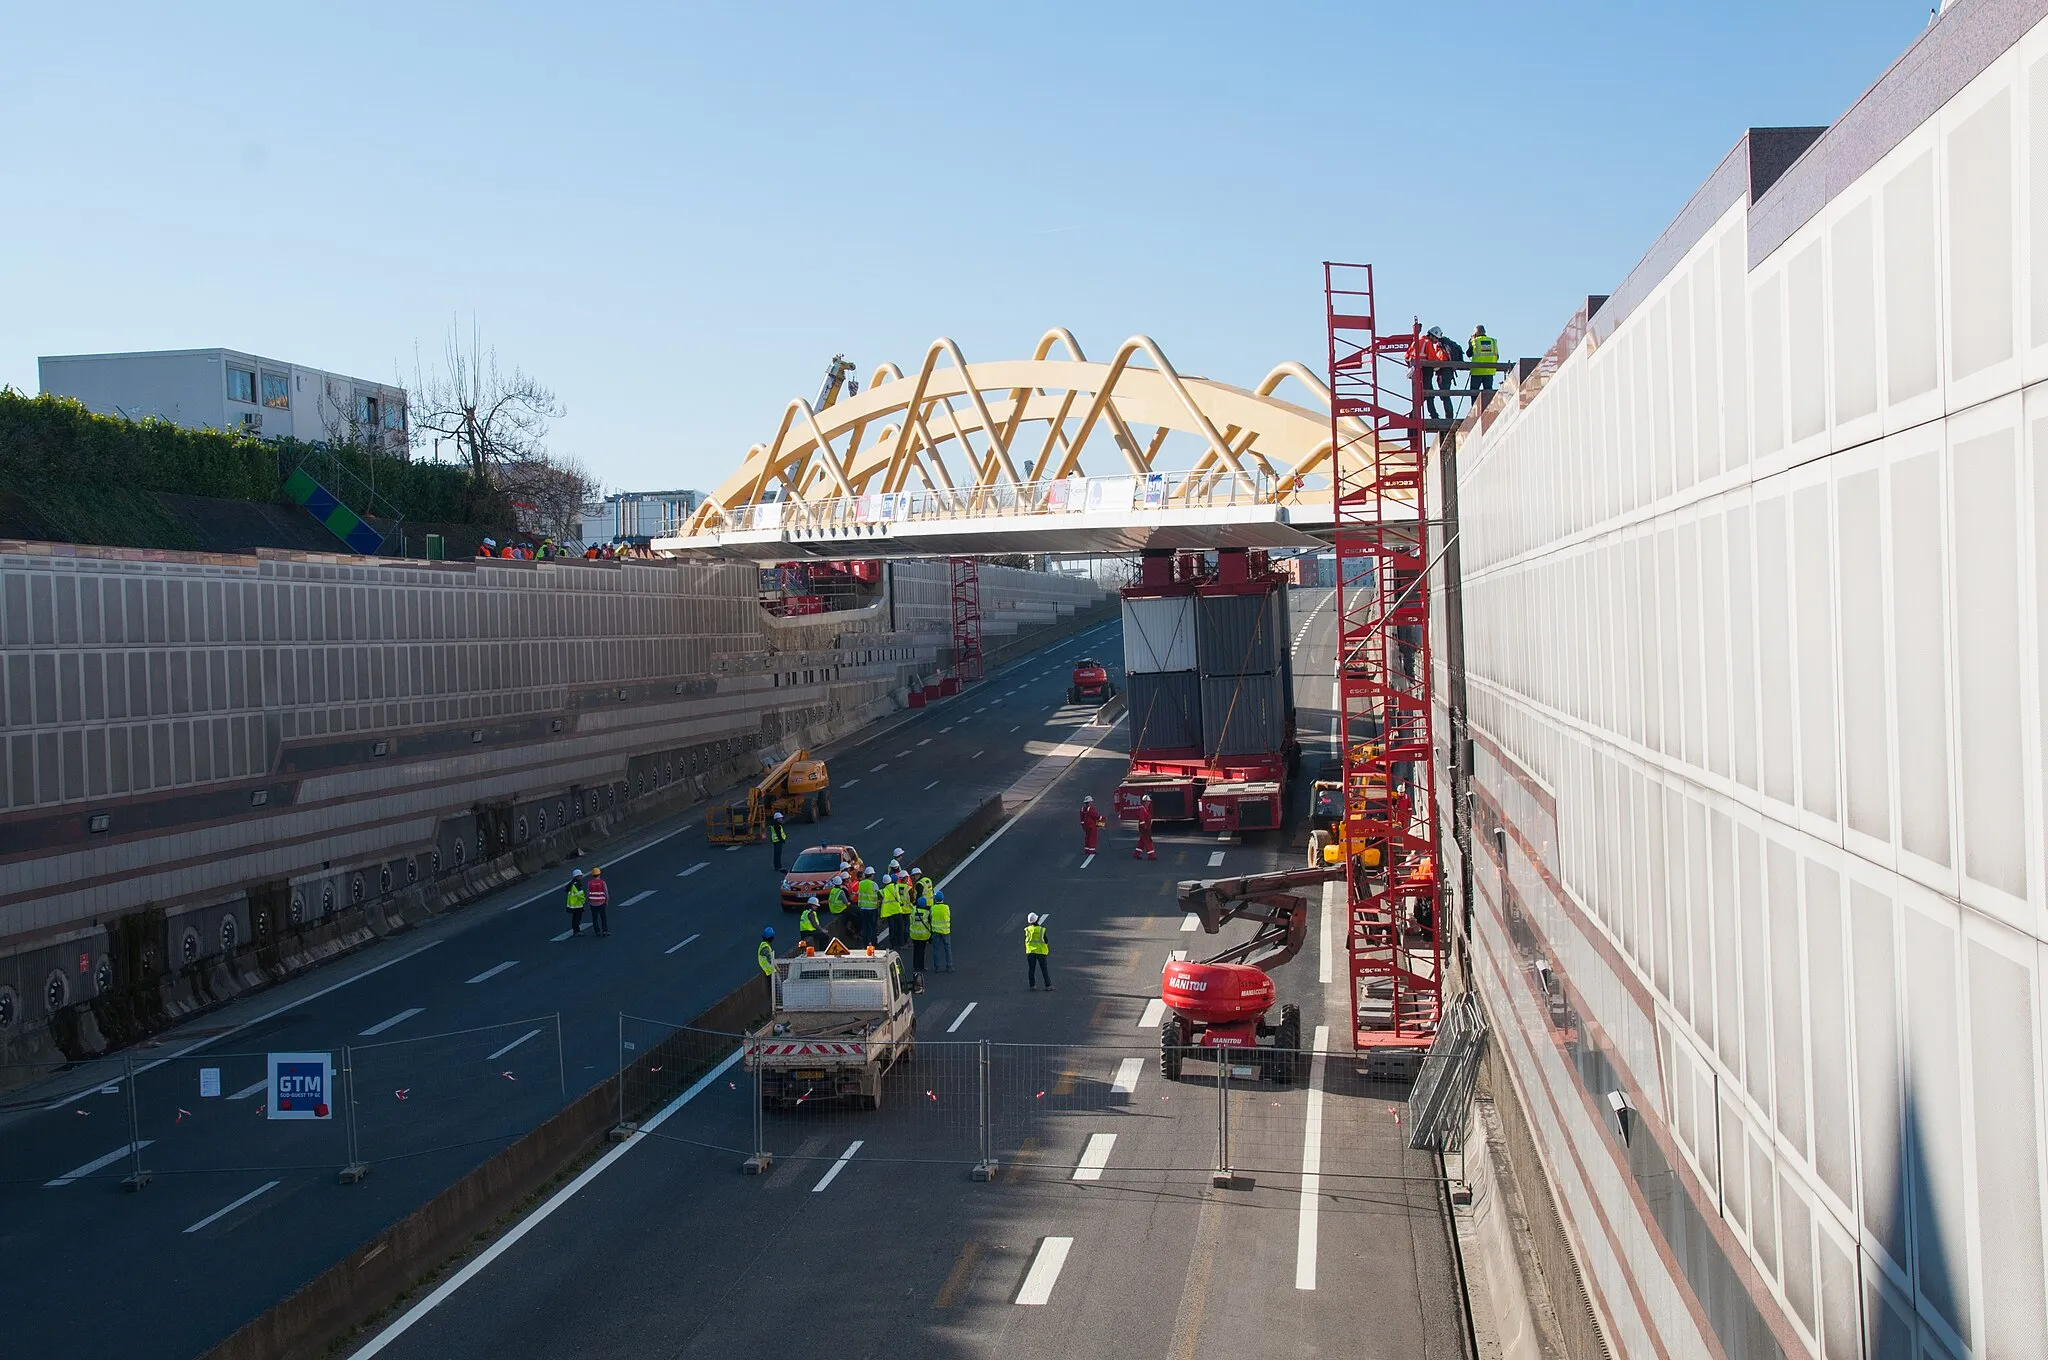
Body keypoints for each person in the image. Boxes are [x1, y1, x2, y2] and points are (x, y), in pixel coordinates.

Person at [1468, 325, 1500, 404]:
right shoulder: (1493, 341)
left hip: (1477, 372)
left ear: (1476, 333)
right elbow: (1497, 356)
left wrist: (1470, 342)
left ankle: (1475, 411)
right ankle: (1488, 410)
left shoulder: (1474, 341)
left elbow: (1469, 354)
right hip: (1489, 372)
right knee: (1488, 394)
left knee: (1474, 394)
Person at [1024, 912, 1052, 990]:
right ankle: (1048, 985)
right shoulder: (1041, 930)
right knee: (1044, 969)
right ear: (1037, 920)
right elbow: (1046, 941)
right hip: (1041, 952)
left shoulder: (1027, 930)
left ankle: (1032, 985)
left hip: (1030, 952)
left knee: (1031, 969)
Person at [855, 866, 881, 946]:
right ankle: (874, 944)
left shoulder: (861, 884)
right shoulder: (874, 884)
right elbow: (879, 895)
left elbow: (858, 893)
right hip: (872, 909)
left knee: (865, 927)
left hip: (863, 908)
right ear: (871, 875)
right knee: (873, 927)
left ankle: (865, 944)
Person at [929, 888, 953, 972]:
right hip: (945, 931)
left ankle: (937, 967)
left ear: (935, 900)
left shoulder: (932, 908)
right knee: (947, 949)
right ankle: (949, 966)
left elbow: (930, 918)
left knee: (936, 949)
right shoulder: (946, 907)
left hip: (936, 931)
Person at [907, 898, 932, 974]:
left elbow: (910, 921)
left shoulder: (913, 912)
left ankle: (915, 966)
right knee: (922, 951)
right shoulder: (927, 913)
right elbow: (930, 923)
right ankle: (921, 966)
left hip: (914, 934)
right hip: (923, 935)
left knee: (916, 950)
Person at [585, 865, 611, 937]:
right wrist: (607, 901)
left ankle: (597, 932)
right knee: (603, 917)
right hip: (601, 903)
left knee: (594, 918)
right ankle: (604, 931)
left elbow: (587, 893)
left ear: (593, 875)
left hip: (592, 904)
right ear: (599, 874)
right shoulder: (602, 882)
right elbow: (606, 893)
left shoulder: (589, 883)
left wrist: (589, 901)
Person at [826, 874, 852, 939]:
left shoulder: (833, 890)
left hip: (833, 910)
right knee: (853, 913)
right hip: (840, 910)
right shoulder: (841, 892)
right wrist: (850, 904)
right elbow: (846, 903)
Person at [564, 868, 587, 936]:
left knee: (574, 919)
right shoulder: (577, 884)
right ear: (577, 876)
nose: (581, 877)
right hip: (577, 904)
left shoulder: (571, 884)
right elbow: (580, 895)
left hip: (572, 905)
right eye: (580, 876)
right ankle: (577, 931)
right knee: (577, 919)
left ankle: (575, 931)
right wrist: (583, 901)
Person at [1134, 794, 1156, 860]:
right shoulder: (1142, 809)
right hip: (1144, 829)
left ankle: (1136, 854)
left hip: (1146, 828)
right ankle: (1151, 856)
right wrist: (1145, 827)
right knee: (1148, 841)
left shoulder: (1145, 809)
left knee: (1142, 842)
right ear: (1145, 802)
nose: (1149, 803)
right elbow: (1142, 819)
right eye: (1148, 802)